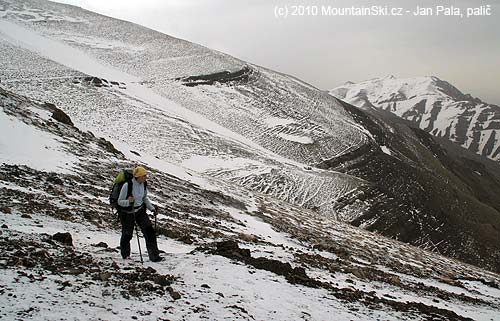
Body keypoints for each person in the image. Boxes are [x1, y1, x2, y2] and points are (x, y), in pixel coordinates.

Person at [117, 166, 162, 262]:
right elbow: (120, 201)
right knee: (127, 234)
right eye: (143, 176)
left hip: (139, 210)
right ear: (138, 176)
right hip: (127, 213)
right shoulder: (127, 185)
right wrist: (128, 202)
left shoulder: (143, 184)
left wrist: (152, 209)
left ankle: (154, 255)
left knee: (149, 231)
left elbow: (144, 198)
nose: (145, 177)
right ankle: (125, 255)